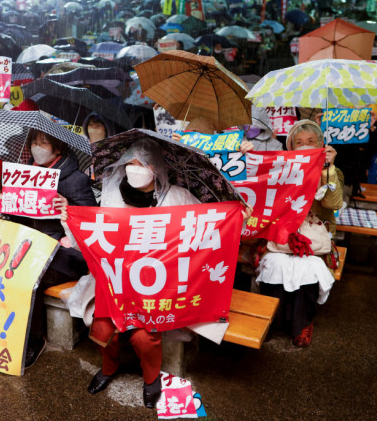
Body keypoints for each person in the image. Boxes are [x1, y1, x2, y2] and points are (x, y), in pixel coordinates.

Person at [60, 138, 251, 408]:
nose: (136, 169)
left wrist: (235, 219)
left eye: (143, 164)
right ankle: (109, 368)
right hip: (118, 284)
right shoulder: (112, 195)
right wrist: (69, 220)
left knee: (143, 336)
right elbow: (93, 241)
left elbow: (210, 226)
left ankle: (151, 379)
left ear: (156, 168)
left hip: (160, 286)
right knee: (101, 326)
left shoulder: (178, 196)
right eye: (131, 163)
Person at [6, 129, 97, 369]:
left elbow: (93, 223)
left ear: (58, 148)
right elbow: (21, 220)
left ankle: (35, 341)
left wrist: (69, 209)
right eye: (34, 142)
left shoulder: (75, 178)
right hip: (34, 248)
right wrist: (8, 205)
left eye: (43, 142)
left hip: (68, 253)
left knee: (30, 277)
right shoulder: (24, 175)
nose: (37, 147)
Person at [255, 119, 342, 348]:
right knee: (275, 265)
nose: (305, 146)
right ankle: (270, 320)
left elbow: (333, 203)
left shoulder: (332, 170)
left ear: (321, 145)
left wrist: (328, 170)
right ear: (291, 147)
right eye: (299, 142)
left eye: (311, 142)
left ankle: (302, 324)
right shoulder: (282, 168)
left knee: (308, 269)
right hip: (284, 235)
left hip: (314, 238)